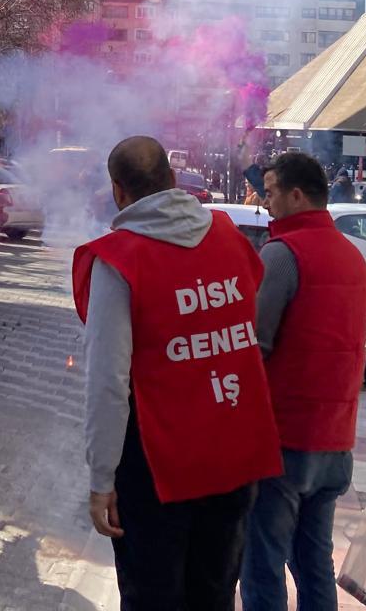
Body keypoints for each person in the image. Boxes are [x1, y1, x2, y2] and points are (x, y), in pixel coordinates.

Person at [73, 136, 281, 610]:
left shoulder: (119, 259)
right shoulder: (229, 236)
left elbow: (108, 381)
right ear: (172, 179)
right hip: (234, 451)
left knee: (153, 598)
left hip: (158, 467)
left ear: (118, 191)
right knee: (213, 595)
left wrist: (102, 479)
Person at [241, 151, 366, 611]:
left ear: (296, 196)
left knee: (263, 563)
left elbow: (256, 343)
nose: (266, 202)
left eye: (271, 192)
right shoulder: (352, 256)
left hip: (286, 435)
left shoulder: (282, 254)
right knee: (315, 563)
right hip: (336, 438)